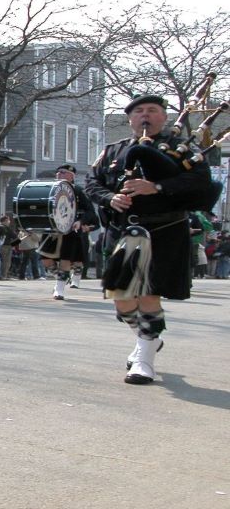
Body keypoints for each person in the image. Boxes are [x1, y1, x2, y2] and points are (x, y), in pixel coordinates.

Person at [84, 94, 213, 385]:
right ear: (130, 119)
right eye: (139, 111)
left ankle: (144, 360)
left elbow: (199, 183)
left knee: (149, 293)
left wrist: (156, 186)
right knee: (123, 301)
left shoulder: (182, 150)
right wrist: (109, 198)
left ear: (163, 117)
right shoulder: (112, 151)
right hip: (122, 231)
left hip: (164, 231)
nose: (145, 116)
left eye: (152, 110)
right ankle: (149, 339)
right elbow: (92, 183)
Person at [39, 164, 99, 299]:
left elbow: (90, 212)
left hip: (70, 230)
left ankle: (59, 288)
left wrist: (81, 221)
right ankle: (62, 277)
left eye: (63, 172)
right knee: (46, 260)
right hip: (52, 230)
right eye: (58, 172)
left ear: (71, 176)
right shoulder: (49, 190)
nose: (59, 174)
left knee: (66, 260)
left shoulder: (77, 191)